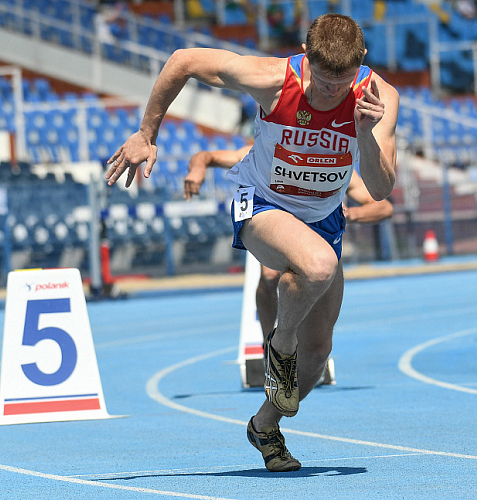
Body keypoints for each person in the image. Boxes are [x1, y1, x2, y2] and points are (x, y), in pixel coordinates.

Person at [105, 13, 399, 472]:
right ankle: (279, 343)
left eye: (341, 84)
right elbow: (183, 60)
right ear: (306, 57)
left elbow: (381, 190)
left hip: (322, 218)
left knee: (318, 356)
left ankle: (265, 425)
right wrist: (147, 132)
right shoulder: (271, 79)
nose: (330, 93)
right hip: (261, 202)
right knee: (317, 267)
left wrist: (364, 136)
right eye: (322, 82)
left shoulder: (380, 99)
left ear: (360, 62)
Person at [183, 144, 394, 340]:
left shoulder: (330, 160)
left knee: (317, 291)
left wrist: (350, 213)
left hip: (319, 232)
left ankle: (305, 346)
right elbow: (206, 156)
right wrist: (197, 169)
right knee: (269, 274)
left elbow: (384, 207)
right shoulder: (262, 150)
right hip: (276, 224)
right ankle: (270, 344)